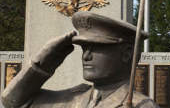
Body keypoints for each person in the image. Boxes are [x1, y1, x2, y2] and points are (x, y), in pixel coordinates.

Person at [1, 11, 160, 108]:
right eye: (84, 48)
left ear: (126, 53)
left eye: (96, 48)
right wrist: (44, 61)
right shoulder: (74, 98)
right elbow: (13, 102)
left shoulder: (141, 105)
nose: (86, 56)